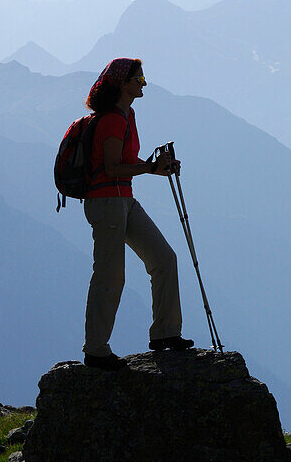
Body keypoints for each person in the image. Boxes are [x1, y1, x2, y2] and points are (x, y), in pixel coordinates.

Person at [81, 57, 193, 370]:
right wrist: (150, 168)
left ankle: (165, 334)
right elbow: (111, 167)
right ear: (123, 84)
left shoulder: (127, 115)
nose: (143, 83)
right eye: (139, 78)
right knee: (110, 274)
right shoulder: (114, 120)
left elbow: (123, 164)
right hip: (107, 202)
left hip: (123, 199)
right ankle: (96, 350)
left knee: (164, 259)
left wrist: (155, 169)